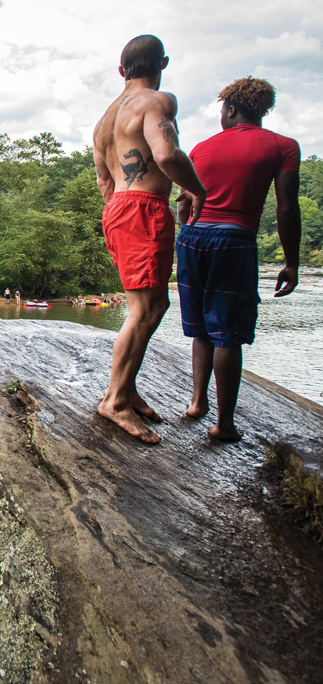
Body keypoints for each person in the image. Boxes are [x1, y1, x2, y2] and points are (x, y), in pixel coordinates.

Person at [92, 34, 207, 444]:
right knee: (149, 307)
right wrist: (196, 189)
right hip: (143, 208)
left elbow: (105, 181)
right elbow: (168, 155)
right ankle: (115, 401)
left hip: (118, 209)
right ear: (163, 63)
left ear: (122, 70)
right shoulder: (157, 102)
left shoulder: (104, 121)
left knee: (147, 304)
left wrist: (122, 213)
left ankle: (127, 389)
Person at [175, 77, 300, 442]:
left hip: (194, 236)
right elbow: (287, 207)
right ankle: (224, 425)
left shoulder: (201, 148)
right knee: (226, 333)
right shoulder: (283, 147)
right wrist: (291, 262)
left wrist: (186, 235)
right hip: (235, 237)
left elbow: (183, 202)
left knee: (200, 326)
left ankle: (198, 403)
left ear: (230, 108)